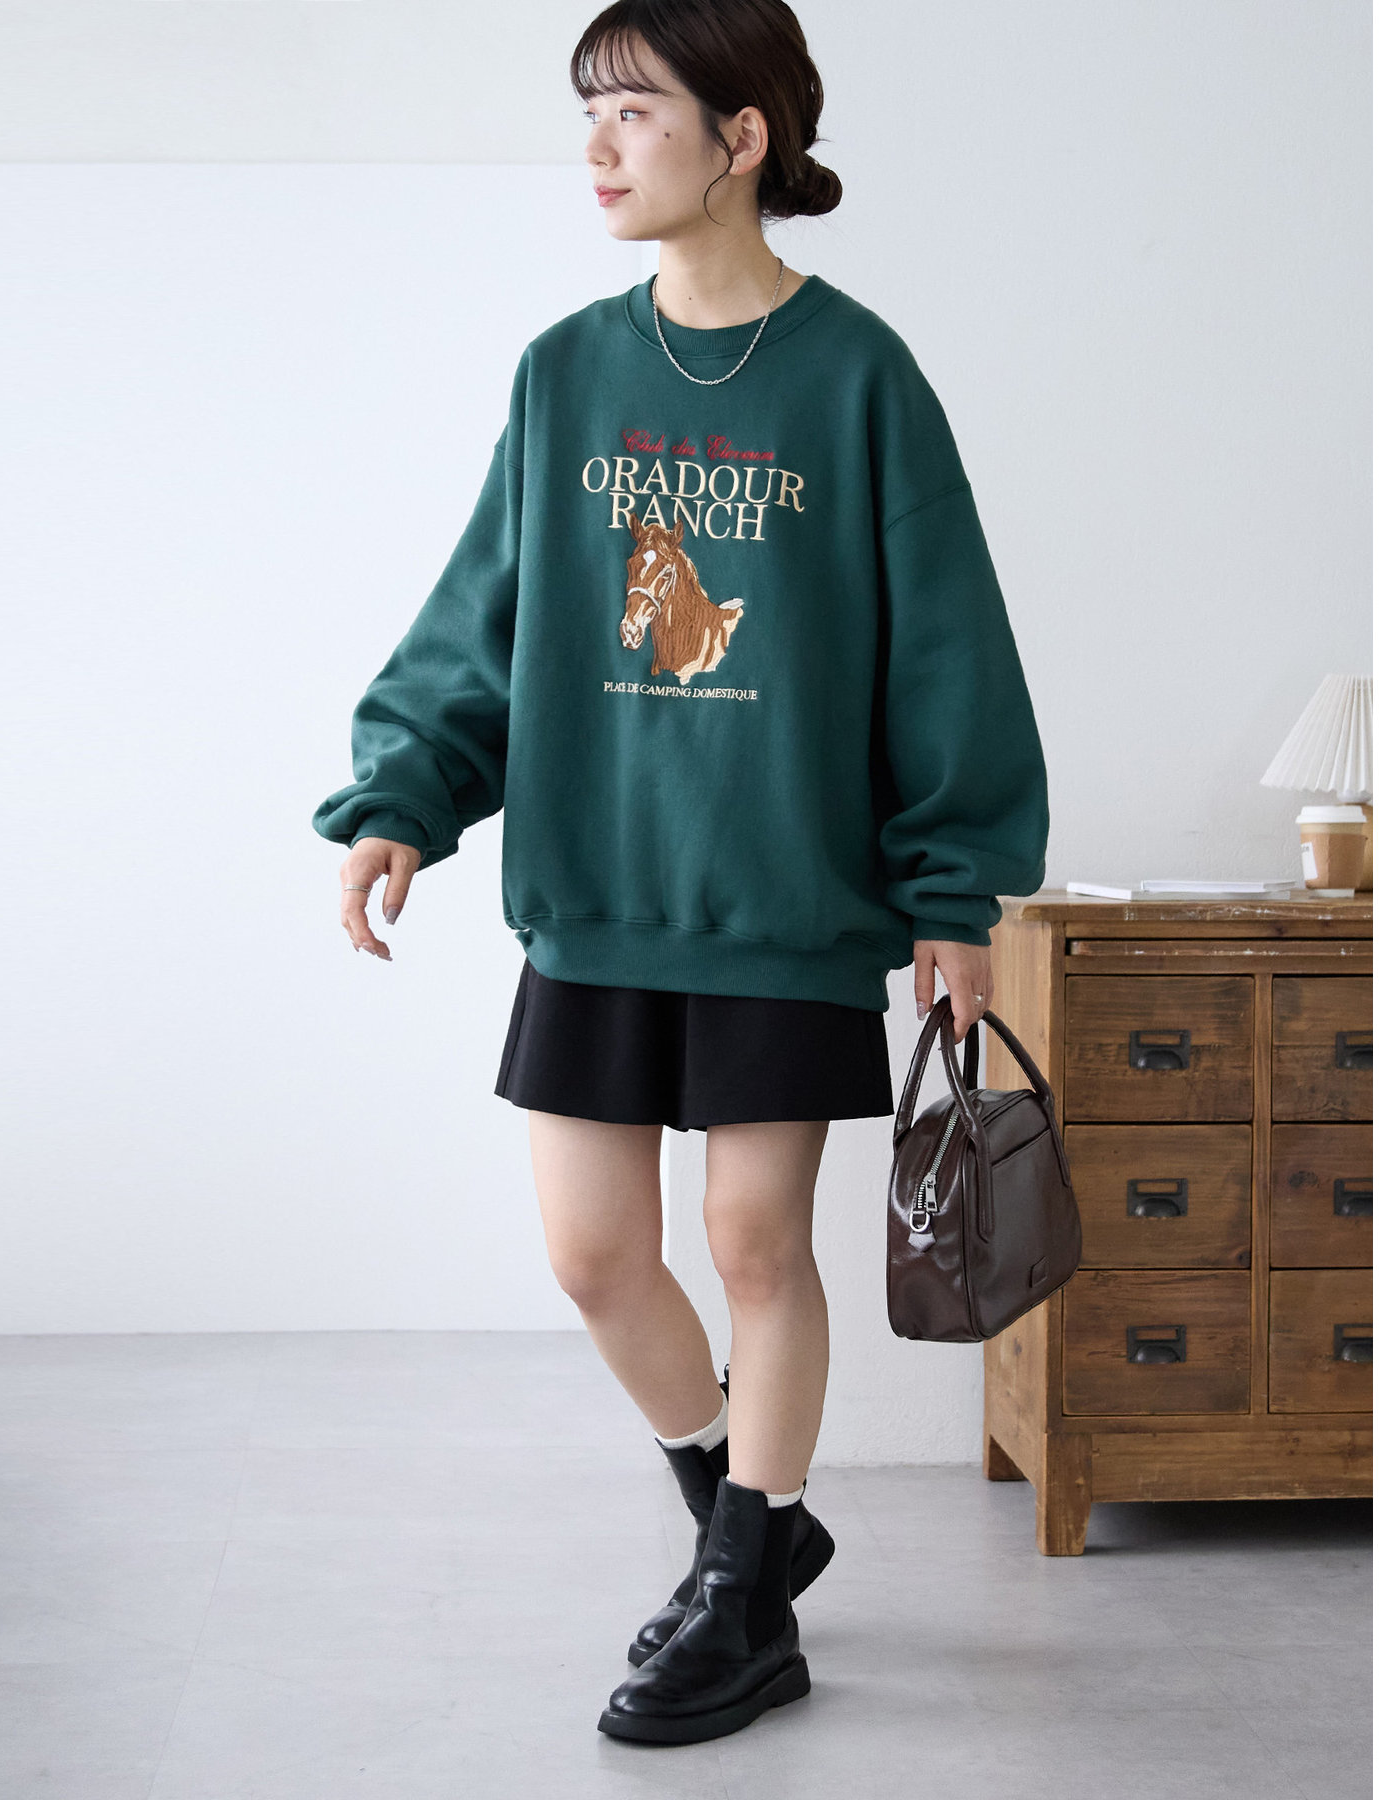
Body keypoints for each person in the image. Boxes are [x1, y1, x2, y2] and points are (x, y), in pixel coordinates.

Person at [314, 0, 1049, 1748]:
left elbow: (948, 647)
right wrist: (405, 791)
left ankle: (738, 1607)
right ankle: (751, 1525)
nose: (596, 148)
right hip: (598, 887)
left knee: (750, 1242)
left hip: (783, 901)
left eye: (634, 112)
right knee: (593, 1258)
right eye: (589, 112)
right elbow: (485, 615)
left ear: (742, 139)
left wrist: (955, 892)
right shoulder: (567, 372)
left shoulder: (858, 376)